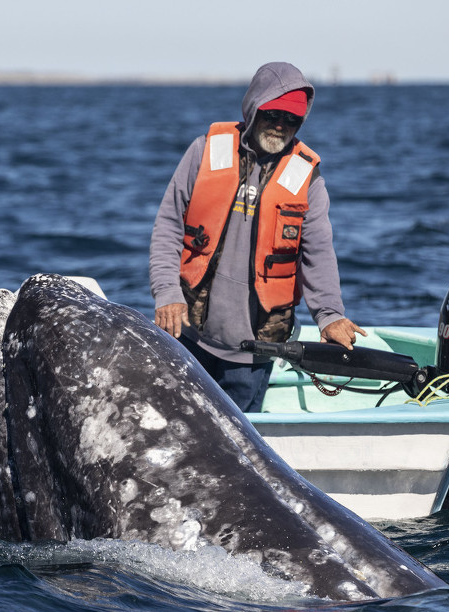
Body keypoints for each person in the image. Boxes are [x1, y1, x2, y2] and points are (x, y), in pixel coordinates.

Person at [149, 61, 365, 412]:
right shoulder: (205, 151)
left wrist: (329, 315)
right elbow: (169, 225)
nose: (281, 125)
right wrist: (166, 293)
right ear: (253, 108)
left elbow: (318, 253)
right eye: (273, 114)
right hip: (187, 336)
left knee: (235, 448)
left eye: (292, 119)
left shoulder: (306, 176)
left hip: (253, 353)